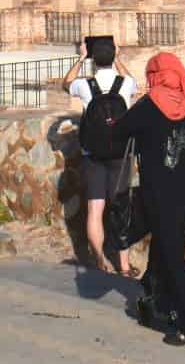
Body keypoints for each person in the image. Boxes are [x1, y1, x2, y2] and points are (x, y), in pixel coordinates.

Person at [116, 52, 185, 348]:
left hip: (157, 193)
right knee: (167, 248)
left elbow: (120, 130)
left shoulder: (149, 106)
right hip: (182, 193)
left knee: (172, 257)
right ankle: (158, 302)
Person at [64, 36, 139, 275]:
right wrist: (118, 58)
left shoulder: (85, 86)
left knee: (94, 209)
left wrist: (80, 58)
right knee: (121, 208)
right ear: (113, 55)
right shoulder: (125, 83)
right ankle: (124, 265)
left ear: (94, 60)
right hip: (121, 153)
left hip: (93, 154)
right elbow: (135, 84)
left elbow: (66, 83)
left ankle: (100, 261)